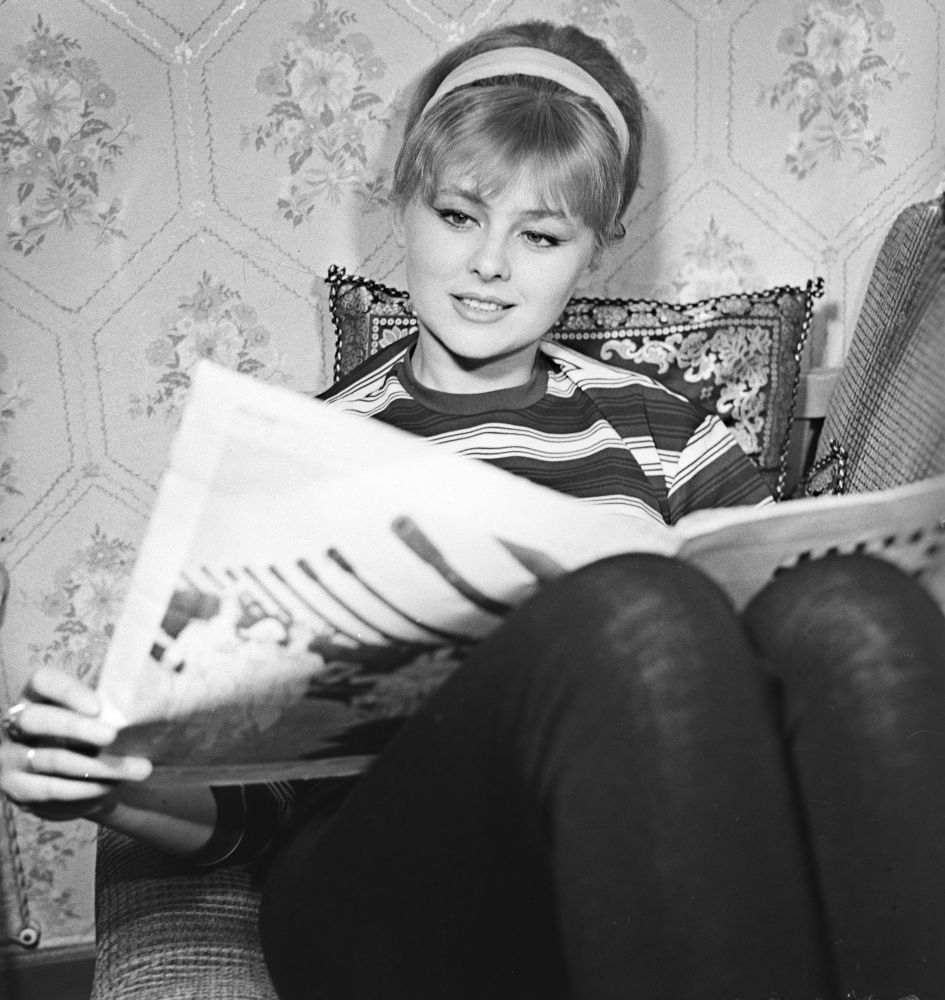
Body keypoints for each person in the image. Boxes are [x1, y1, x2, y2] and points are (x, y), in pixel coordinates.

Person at [2, 20, 944, 1000]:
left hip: (634, 853)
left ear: (592, 250)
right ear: (404, 206)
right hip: (385, 895)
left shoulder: (665, 430)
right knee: (631, 609)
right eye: (459, 215)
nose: (491, 263)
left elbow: (778, 655)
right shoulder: (312, 454)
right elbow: (260, 796)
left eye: (540, 235)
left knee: (853, 606)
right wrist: (117, 787)